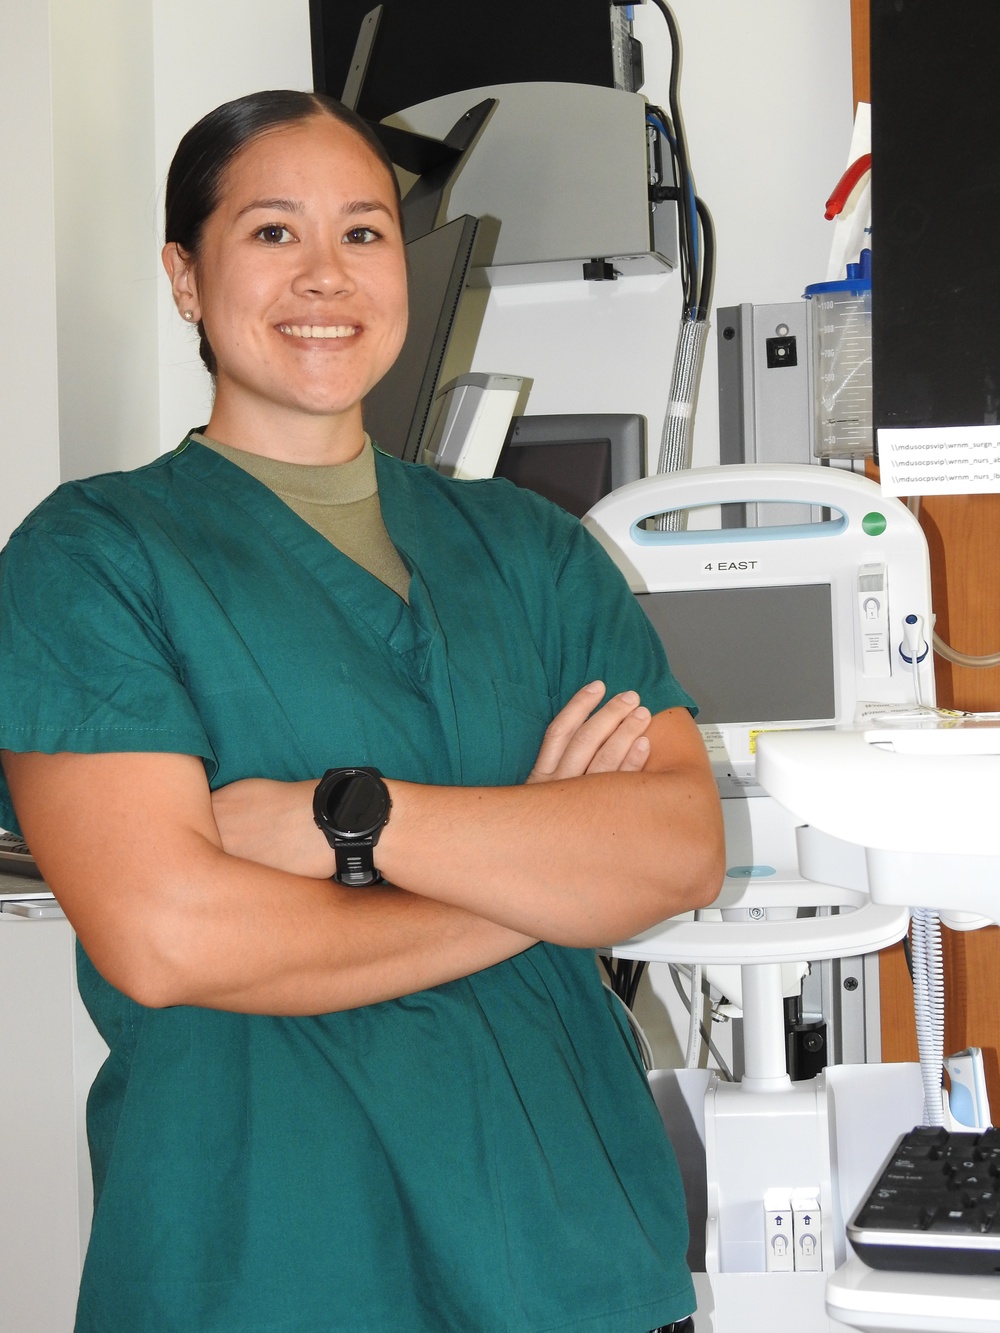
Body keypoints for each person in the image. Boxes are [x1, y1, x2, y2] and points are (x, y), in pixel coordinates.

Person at [0, 90, 723, 1333]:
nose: (324, 277)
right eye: (272, 233)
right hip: (264, 1251)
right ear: (186, 276)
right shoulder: (92, 557)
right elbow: (169, 934)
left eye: (365, 233)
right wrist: (532, 879)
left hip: (565, 1251)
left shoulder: (531, 552)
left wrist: (358, 821)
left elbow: (674, 852)